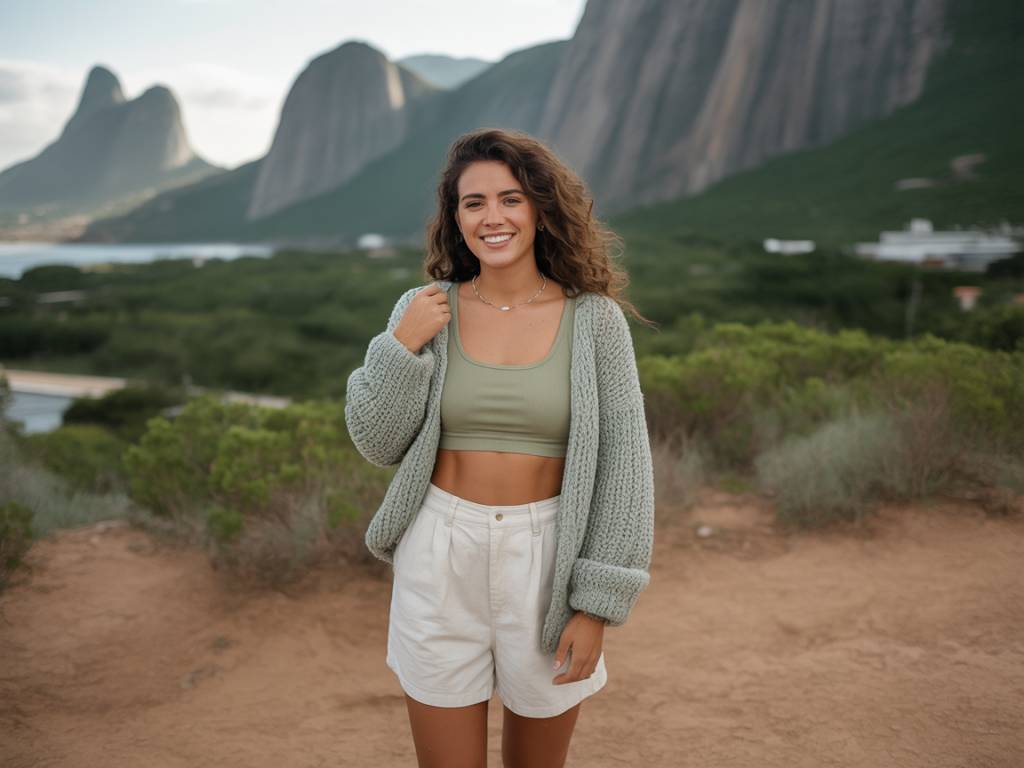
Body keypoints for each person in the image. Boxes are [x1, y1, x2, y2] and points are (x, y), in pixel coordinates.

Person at [344, 127, 655, 768]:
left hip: (549, 558)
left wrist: (596, 605)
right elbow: (376, 442)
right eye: (474, 202)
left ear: (540, 209)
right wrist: (400, 346)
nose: (493, 217)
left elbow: (625, 471)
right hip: (439, 552)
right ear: (455, 219)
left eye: (511, 199)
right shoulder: (424, 309)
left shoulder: (595, 320)